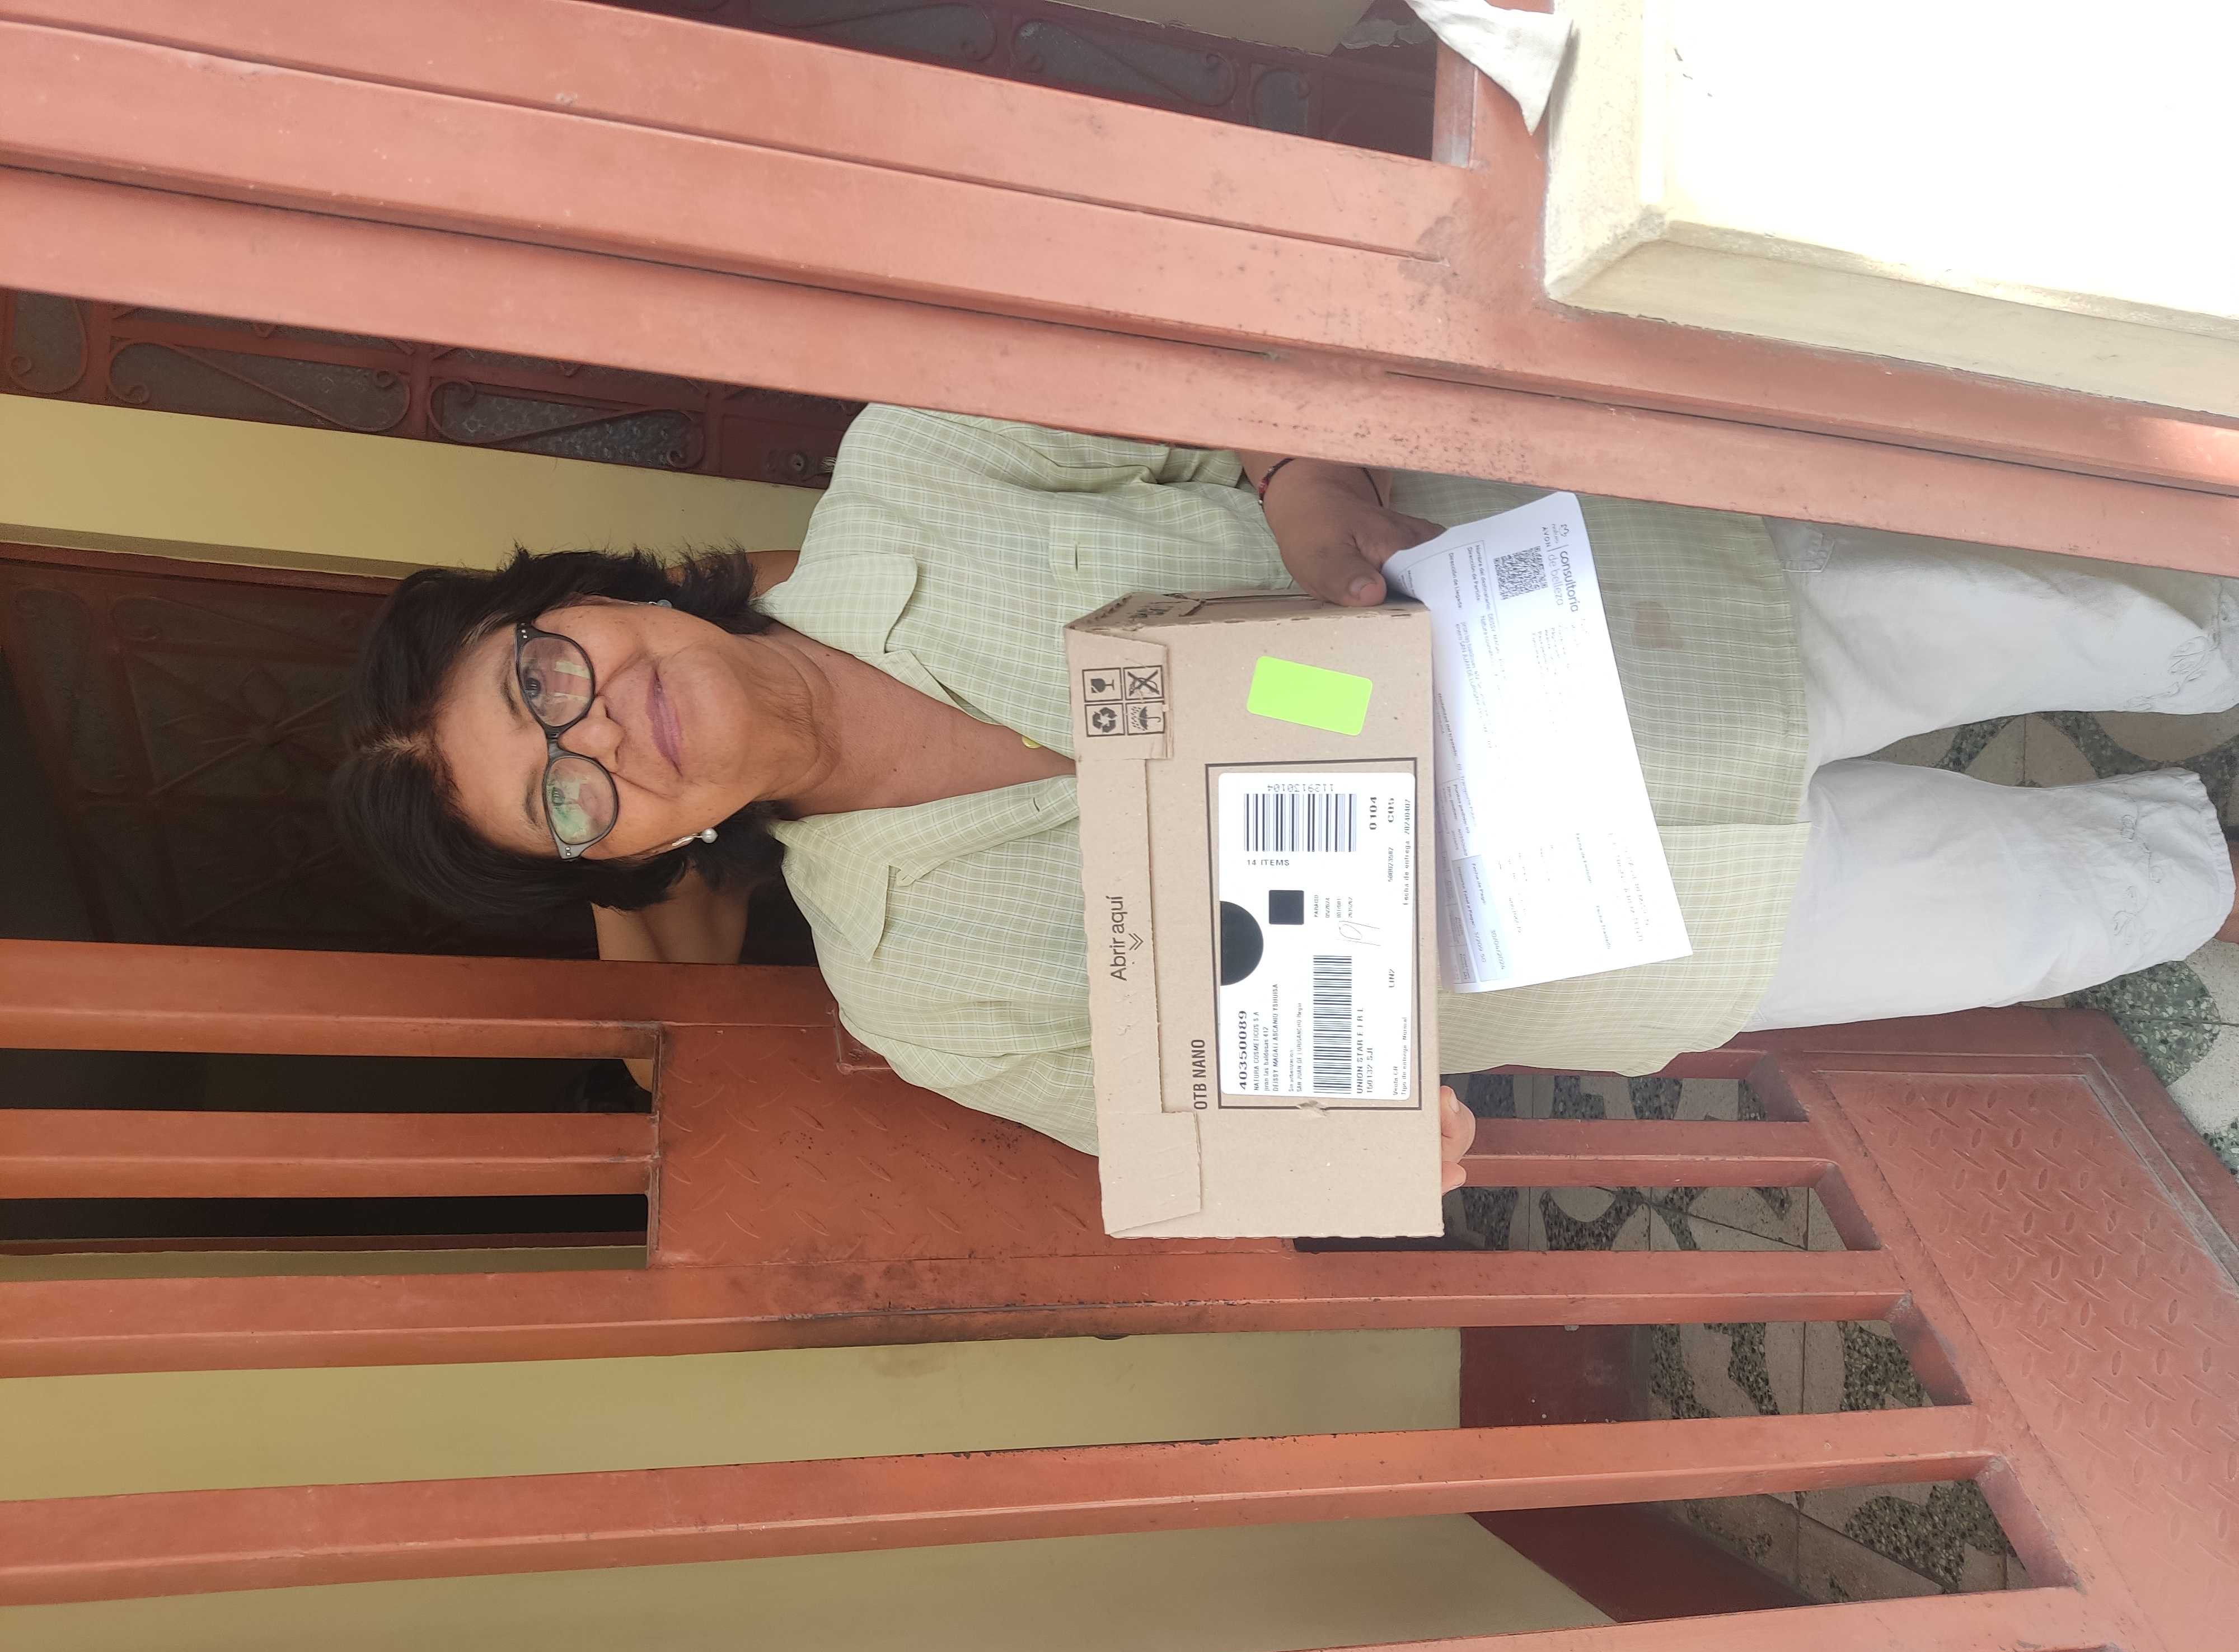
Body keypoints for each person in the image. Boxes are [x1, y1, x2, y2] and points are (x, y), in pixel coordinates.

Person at [332, 406, 2239, 1157]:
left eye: (543, 676)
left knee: (2105, 613)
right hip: (1657, 925)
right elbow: (1228, 1127)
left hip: (1646, 631)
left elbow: (1216, 368)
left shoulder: (912, 468)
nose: (599, 736)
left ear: (589, 593)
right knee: (2092, 904)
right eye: (564, 799)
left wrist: (1295, 478)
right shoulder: (917, 994)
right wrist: (1367, 1128)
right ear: (639, 854)